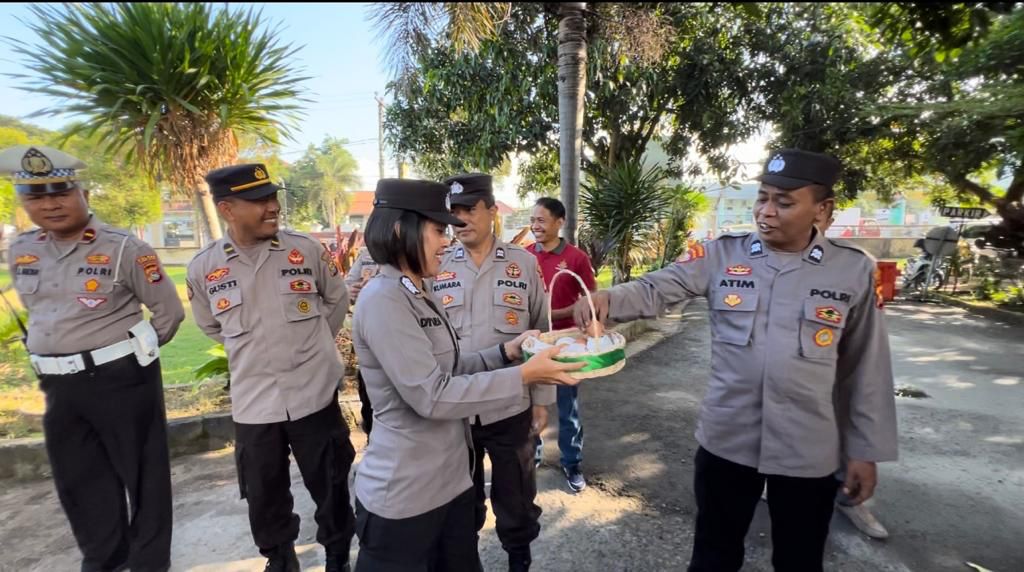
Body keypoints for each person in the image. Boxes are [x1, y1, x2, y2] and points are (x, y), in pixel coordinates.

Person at [574, 148, 899, 571]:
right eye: (762, 198)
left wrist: (863, 451)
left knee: (800, 559)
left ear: (823, 210)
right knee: (713, 554)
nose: (767, 211)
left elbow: (866, 367)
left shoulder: (852, 271)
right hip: (727, 441)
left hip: (808, 451)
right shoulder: (722, 255)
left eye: (784, 203)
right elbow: (659, 287)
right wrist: (607, 298)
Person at [350, 178, 583, 572]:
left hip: (447, 481)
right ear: (398, 230)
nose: (449, 237)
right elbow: (433, 394)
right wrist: (522, 375)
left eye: (455, 222)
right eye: (440, 228)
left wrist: (506, 352)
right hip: (407, 495)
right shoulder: (386, 299)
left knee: (514, 504)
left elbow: (450, 365)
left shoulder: (415, 291)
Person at [2, 144, 185, 572]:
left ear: (83, 192)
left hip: (120, 377)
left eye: (61, 192)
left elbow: (169, 312)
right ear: (24, 202)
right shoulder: (23, 250)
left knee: (144, 476)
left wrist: (131, 356)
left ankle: (148, 563)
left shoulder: (125, 248)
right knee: (79, 479)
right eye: (36, 196)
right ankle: (104, 558)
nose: (50, 204)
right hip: (58, 385)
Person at [186, 163, 355, 572]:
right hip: (254, 403)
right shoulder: (205, 267)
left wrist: (311, 344)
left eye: (272, 197)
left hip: (313, 394)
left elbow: (335, 301)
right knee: (263, 494)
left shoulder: (306, 250)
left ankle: (337, 557)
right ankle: (280, 560)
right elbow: (212, 325)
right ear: (227, 209)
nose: (272, 207)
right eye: (258, 201)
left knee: (331, 484)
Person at [437, 173, 553, 571]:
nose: (461, 218)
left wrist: (542, 400)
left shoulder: (523, 263)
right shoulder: (436, 265)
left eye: (469, 209)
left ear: (491, 210)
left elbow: (542, 331)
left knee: (517, 497)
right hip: (456, 406)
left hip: (510, 403)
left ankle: (518, 560)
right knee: (460, 500)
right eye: (454, 212)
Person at [529, 197, 597, 493]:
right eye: (532, 220)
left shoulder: (577, 258)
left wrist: (559, 315)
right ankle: (533, 448)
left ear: (560, 222)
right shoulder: (525, 256)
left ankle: (572, 462)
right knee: (531, 403)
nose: (535, 226)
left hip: (567, 343)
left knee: (567, 405)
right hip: (534, 342)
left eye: (541, 220)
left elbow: (590, 299)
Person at [345, 246, 379, 435]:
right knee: (369, 403)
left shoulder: (413, 251)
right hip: (369, 345)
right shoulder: (367, 254)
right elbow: (345, 287)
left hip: (402, 343)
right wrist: (351, 290)